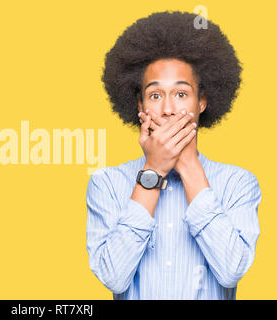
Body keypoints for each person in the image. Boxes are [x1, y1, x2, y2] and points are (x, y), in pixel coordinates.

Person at [85, 11, 262, 299]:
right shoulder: (107, 183)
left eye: (181, 94)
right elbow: (114, 278)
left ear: (201, 101)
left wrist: (188, 165)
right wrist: (152, 172)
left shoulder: (238, 183)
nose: (168, 109)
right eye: (155, 96)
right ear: (140, 104)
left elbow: (231, 270)